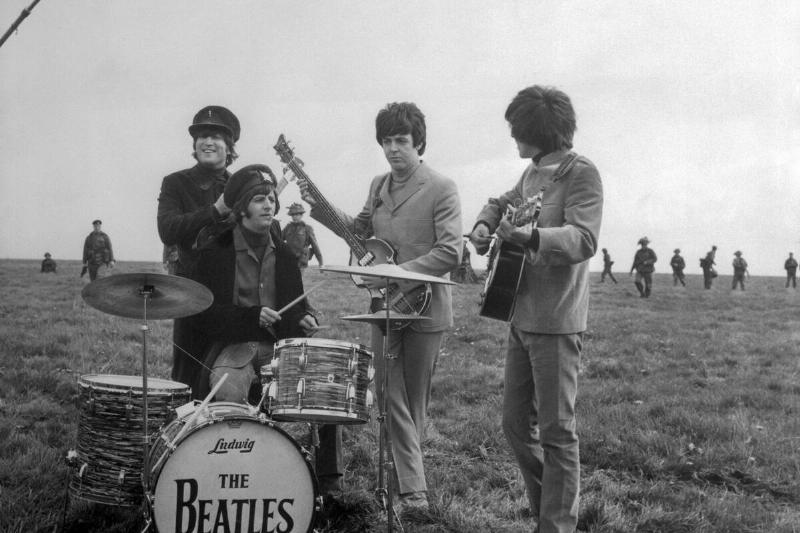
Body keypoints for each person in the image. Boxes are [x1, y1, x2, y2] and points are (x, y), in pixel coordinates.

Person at [297, 101, 462, 513]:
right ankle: (408, 489)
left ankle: (405, 488)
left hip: (425, 307)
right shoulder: (378, 185)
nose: (393, 149)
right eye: (386, 141)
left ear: (418, 142)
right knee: (388, 394)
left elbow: (450, 252)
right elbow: (358, 231)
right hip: (382, 306)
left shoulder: (442, 187)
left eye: (401, 141)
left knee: (411, 400)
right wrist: (318, 207)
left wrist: (397, 271)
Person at [469, 85, 603, 533]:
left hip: (557, 323)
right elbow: (500, 202)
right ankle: (555, 511)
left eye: (519, 132)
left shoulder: (581, 174)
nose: (514, 140)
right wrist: (485, 224)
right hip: (520, 317)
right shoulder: (531, 173)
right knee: (512, 425)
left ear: (541, 132)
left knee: (557, 432)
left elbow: (583, 239)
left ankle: (555, 524)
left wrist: (530, 238)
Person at [190, 164, 343, 497]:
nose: (269, 205)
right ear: (242, 207)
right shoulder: (215, 253)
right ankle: (232, 477)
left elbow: (294, 308)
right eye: (259, 199)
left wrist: (304, 319)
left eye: (271, 199)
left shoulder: (286, 256)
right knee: (227, 394)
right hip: (234, 347)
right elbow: (204, 315)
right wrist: (251, 317)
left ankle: (328, 483)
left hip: (281, 347)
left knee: (328, 388)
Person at [156, 105, 240, 388]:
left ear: (229, 147)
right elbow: (167, 230)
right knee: (187, 378)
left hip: (233, 297)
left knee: (230, 374)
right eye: (202, 135)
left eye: (216, 136)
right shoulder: (175, 182)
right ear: (194, 144)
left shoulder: (241, 185)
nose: (208, 141)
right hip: (190, 293)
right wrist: (214, 210)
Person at [282, 202, 324, 268]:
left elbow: (315, 246)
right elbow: (278, 240)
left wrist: (321, 262)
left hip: (301, 262)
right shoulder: (287, 228)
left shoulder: (307, 228)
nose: (294, 217)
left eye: (297, 214)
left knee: (298, 278)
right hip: (289, 261)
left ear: (301, 215)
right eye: (293, 215)